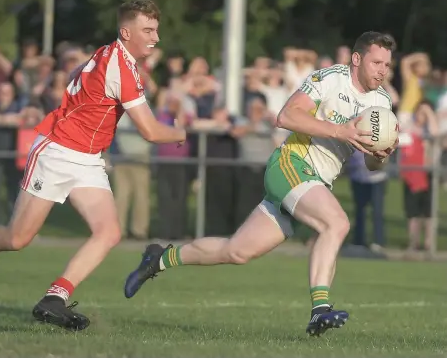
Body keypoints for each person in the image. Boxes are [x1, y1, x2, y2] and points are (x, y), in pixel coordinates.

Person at [124, 31, 399, 337]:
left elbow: (372, 161)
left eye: (387, 65)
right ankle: (320, 309)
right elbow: (286, 116)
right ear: (357, 59)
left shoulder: (382, 101)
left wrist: (382, 155)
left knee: (237, 251)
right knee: (336, 223)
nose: (382, 70)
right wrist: (339, 131)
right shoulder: (330, 79)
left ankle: (159, 258)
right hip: (291, 165)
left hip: (315, 183)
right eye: (377, 62)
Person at [0, 0, 186, 331]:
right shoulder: (121, 68)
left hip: (87, 158)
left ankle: (54, 298)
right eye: (148, 30)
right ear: (126, 32)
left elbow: (78, 78)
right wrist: (180, 132)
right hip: (57, 152)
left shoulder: (111, 54)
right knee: (17, 239)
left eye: (156, 30)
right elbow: (151, 131)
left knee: (109, 232)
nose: (155, 38)